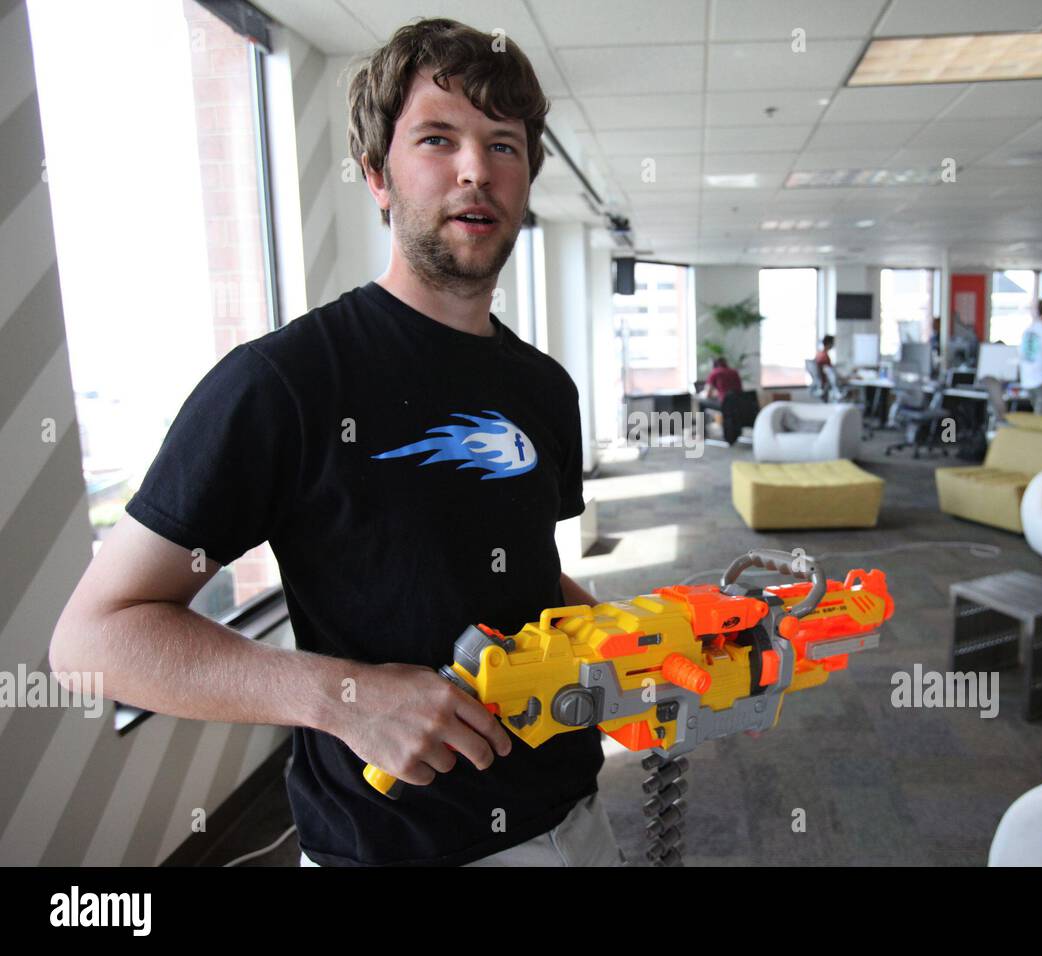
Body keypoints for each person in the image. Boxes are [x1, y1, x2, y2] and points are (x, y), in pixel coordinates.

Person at [49, 18, 623, 868]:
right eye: (438, 139)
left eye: (504, 145)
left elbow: (516, 571)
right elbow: (92, 641)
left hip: (574, 817)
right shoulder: (284, 383)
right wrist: (346, 699)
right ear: (376, 176)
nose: (476, 169)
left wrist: (625, 637)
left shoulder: (544, 387)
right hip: (394, 845)